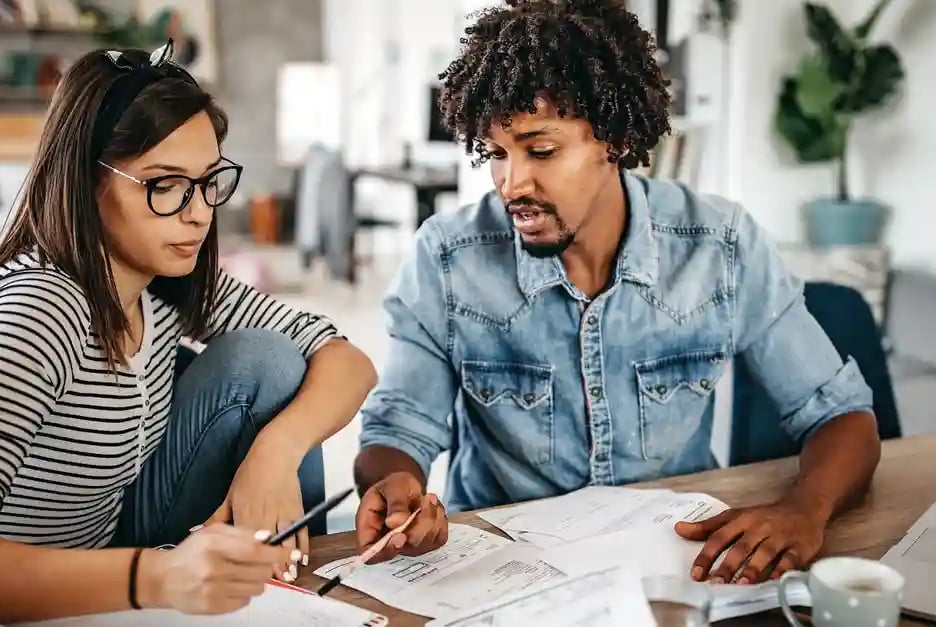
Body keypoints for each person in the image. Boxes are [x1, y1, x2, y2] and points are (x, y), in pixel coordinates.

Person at [352, 0, 881, 586]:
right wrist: (397, 488)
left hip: (679, 564)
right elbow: (397, 431)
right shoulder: (449, 259)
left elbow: (841, 418)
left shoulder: (721, 247)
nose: (511, 184)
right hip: (505, 575)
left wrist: (805, 509)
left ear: (616, 139)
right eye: (496, 154)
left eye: (542, 150)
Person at [0, 41, 377, 622]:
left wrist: (275, 452)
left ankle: (292, 599)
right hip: (18, 600)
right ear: (86, 180)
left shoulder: (163, 282)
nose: (198, 213)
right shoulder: (36, 310)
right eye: (163, 185)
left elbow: (348, 360)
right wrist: (160, 576)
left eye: (208, 180)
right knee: (261, 361)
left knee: (269, 360)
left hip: (115, 547)